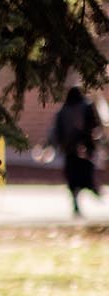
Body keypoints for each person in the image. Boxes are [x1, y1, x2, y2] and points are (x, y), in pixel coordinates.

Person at [51, 86, 103, 218]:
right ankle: (93, 189)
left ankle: (78, 201)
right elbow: (94, 126)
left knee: (73, 180)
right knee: (85, 174)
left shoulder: (63, 110)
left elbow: (56, 132)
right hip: (84, 150)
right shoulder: (86, 106)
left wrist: (54, 146)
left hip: (70, 151)